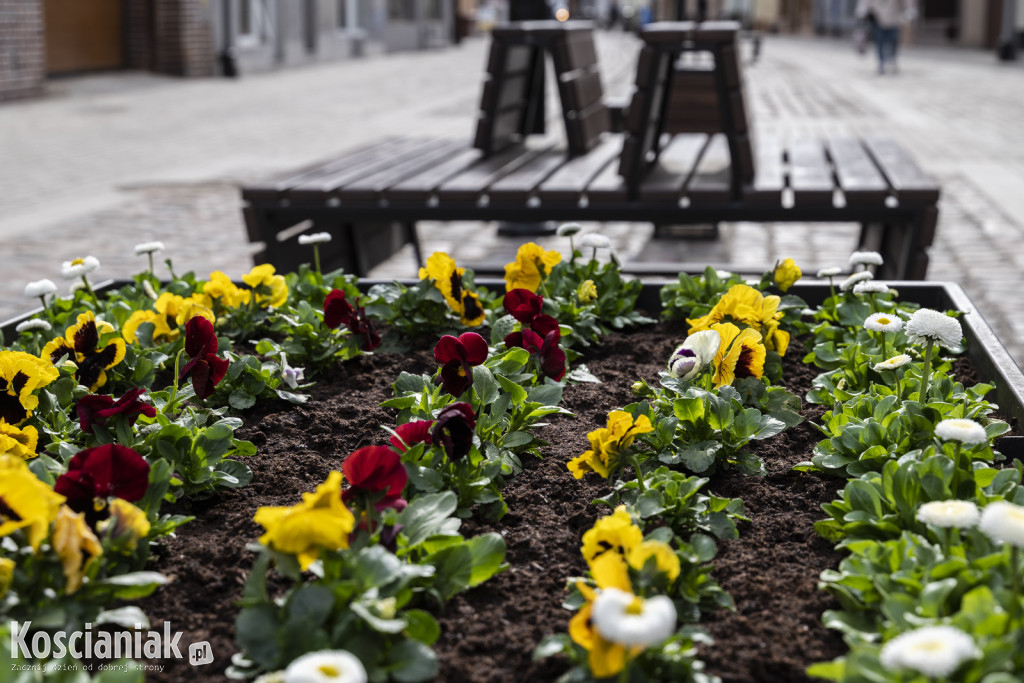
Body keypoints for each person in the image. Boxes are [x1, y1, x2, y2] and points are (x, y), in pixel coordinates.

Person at [855, 0, 918, 74]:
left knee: (893, 40)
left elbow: (908, 3)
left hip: (894, 19)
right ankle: (881, 62)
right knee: (880, 42)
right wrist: (862, 10)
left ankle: (892, 59)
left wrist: (910, 11)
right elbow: (865, 3)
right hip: (878, 19)